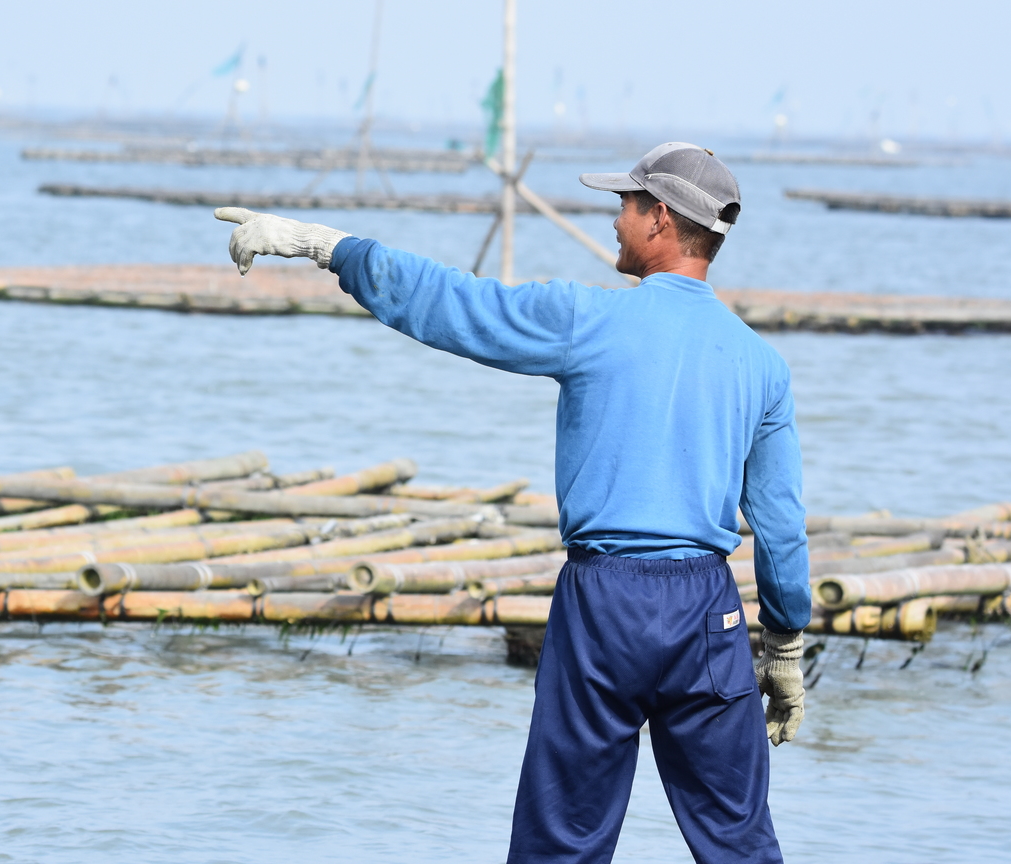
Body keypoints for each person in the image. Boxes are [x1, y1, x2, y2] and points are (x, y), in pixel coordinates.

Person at [216, 142, 810, 864]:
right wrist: (783, 646)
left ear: (659, 218)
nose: (615, 219)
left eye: (624, 205)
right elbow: (779, 527)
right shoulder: (762, 364)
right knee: (738, 839)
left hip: (605, 601)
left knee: (563, 838)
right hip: (705, 611)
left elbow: (455, 305)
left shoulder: (586, 320)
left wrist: (329, 247)